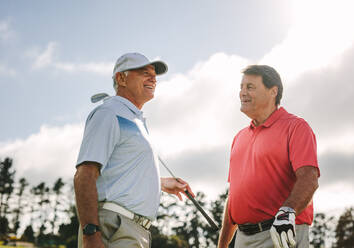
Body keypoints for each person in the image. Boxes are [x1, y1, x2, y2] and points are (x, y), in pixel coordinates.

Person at [74, 52, 194, 248]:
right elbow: (84, 174)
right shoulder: (108, 113)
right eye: (144, 72)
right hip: (114, 226)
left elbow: (120, 174)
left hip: (134, 230)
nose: (153, 78)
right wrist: (90, 235)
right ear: (121, 78)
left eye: (154, 74)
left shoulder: (133, 119)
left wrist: (161, 183)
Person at [217, 65, 320, 248]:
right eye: (241, 87)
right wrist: (222, 245)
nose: (242, 93)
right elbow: (234, 198)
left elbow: (309, 179)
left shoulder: (296, 127)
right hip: (243, 238)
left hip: (281, 235)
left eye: (250, 87)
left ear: (273, 91)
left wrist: (287, 212)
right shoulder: (239, 138)